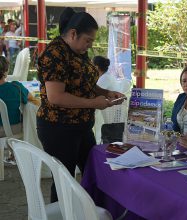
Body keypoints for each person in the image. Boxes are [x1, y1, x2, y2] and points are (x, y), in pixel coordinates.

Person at [37, 7, 125, 202]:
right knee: (63, 181)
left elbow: (84, 83)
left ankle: (91, 212)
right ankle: (61, 215)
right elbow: (56, 97)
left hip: (81, 126)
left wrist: (105, 93)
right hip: (58, 127)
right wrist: (93, 103)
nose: (90, 45)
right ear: (73, 33)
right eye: (88, 40)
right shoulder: (55, 54)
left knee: (92, 173)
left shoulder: (77, 50)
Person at [0, 56, 39, 162]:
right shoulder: (16, 87)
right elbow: (34, 101)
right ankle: (16, 153)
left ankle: (12, 154)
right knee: (28, 116)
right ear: (6, 71)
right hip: (13, 128)